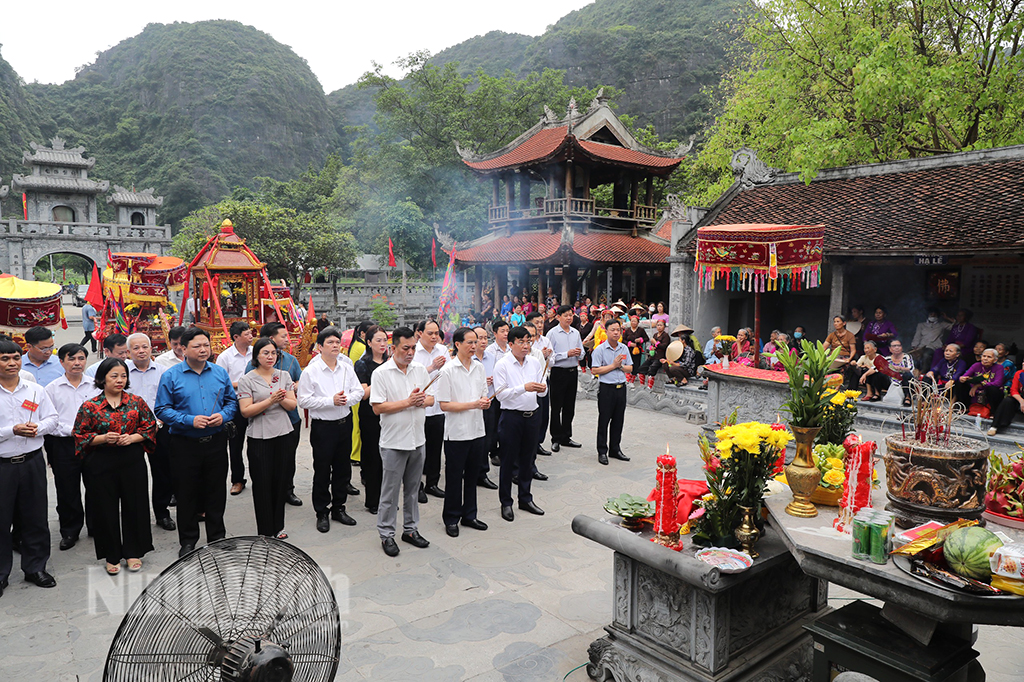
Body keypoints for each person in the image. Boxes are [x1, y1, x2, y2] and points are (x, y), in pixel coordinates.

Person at [154, 328, 238, 558]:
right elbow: (161, 409)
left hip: (216, 442)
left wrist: (224, 415)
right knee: (186, 493)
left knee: (216, 491)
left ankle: (217, 537)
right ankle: (188, 540)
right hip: (184, 443)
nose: (203, 350)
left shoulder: (219, 373)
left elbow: (232, 402)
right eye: (197, 346)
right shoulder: (171, 376)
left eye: (206, 345)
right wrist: (189, 420)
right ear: (183, 348)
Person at [73, 358, 157, 574]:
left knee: (135, 505)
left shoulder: (136, 402)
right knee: (104, 507)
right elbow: (80, 435)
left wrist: (133, 438)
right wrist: (103, 438)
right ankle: (111, 554)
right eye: (114, 376)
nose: (120, 380)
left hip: (131, 459)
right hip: (101, 461)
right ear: (102, 379)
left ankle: (133, 551)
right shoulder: (90, 406)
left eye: (123, 376)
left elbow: (150, 427)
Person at [0, 337, 59, 597]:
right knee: (2, 521)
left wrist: (39, 429)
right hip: (2, 465)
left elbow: (52, 418)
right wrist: (10, 430)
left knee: (35, 518)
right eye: (4, 359)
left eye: (15, 358)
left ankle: (35, 567)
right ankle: (1, 573)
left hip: (32, 460)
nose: (11, 363)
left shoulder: (33, 389)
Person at [370, 327, 432, 557]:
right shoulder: (381, 373)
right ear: (392, 348)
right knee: (390, 491)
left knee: (413, 489)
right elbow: (378, 407)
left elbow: (432, 397)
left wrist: (421, 401)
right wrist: (408, 402)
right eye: (405, 348)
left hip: (418, 438)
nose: (410, 352)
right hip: (394, 441)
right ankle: (386, 533)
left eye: (413, 348)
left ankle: (410, 529)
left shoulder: (419, 370)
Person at [297, 326, 364, 533]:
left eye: (337, 342)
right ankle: (322, 511)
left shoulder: (346, 367)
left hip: (344, 424)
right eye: (330, 343)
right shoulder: (311, 370)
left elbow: (359, 391)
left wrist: (345, 401)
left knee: (343, 470)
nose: (335, 346)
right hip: (323, 427)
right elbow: (303, 400)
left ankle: (339, 508)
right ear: (319, 347)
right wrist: (331, 401)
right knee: (323, 470)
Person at [237, 337, 297, 539]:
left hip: (283, 432)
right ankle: (264, 530)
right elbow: (246, 411)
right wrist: (271, 400)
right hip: (259, 436)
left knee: (281, 480)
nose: (270, 357)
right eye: (265, 353)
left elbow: (292, 405)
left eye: (273, 353)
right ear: (257, 356)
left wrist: (281, 400)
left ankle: (278, 526)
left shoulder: (283, 375)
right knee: (262, 483)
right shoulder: (247, 379)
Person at [44, 343, 101, 551]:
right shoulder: (51, 389)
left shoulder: (96, 386)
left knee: (96, 486)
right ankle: (70, 530)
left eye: (81, 359)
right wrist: (77, 431)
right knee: (67, 489)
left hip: (94, 444)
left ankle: (96, 526)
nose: (77, 363)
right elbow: (50, 419)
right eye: (72, 359)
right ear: (62, 362)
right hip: (64, 444)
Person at [436, 327, 490, 538]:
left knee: (473, 475)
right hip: (456, 433)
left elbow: (483, 396)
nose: (474, 346)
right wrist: (473, 404)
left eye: (475, 342)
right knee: (454, 476)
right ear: (457, 344)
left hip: (477, 430)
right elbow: (444, 405)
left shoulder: (479, 368)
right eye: (469, 342)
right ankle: (451, 517)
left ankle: (470, 514)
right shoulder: (448, 371)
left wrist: (483, 404)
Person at [494, 326, 548, 522]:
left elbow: (542, 391)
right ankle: (506, 502)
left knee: (528, 460)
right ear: (511, 344)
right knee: (508, 461)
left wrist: (541, 389)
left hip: (532, 415)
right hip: (511, 418)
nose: (526, 346)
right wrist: (523, 388)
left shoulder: (534, 362)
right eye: (521, 342)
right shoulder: (502, 365)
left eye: (528, 341)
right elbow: (500, 395)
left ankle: (525, 498)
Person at [125, 333, 173, 532]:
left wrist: (160, 420)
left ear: (151, 348)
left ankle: (162, 513)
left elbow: (171, 398)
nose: (141, 351)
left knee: (162, 473)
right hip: (129, 431)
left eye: (145, 346)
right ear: (128, 352)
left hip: (158, 428)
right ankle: (134, 516)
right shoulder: (121, 372)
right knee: (132, 476)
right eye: (136, 348)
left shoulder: (164, 371)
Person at [260, 323, 304, 507]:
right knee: (266, 459)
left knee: (288, 457)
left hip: (290, 418)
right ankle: (268, 491)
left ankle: (288, 490)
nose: (287, 339)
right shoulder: (254, 364)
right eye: (283, 336)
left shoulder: (291, 361)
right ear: (271, 339)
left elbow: (301, 381)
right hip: (265, 418)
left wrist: (295, 385)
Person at [216, 322, 254, 496]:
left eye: (250, 333)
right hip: (236, 404)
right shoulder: (225, 357)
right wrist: (242, 383)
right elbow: (219, 384)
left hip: (257, 403)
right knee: (235, 444)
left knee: (257, 442)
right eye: (246, 334)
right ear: (236, 337)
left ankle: (259, 476)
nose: (250, 336)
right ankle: (238, 480)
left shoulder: (256, 352)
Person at [413, 319, 449, 502]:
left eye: (437, 333)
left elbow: (449, 372)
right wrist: (432, 367)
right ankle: (416, 485)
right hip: (419, 407)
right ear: (420, 333)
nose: (435, 336)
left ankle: (432, 483)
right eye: (430, 333)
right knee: (419, 449)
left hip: (438, 407)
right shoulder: (413, 351)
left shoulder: (442, 350)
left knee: (435, 448)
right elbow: (410, 376)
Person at [355, 326, 388, 515]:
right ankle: (373, 501)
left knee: (388, 460)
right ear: (368, 343)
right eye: (378, 340)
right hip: (370, 417)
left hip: (389, 414)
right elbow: (363, 394)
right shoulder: (362, 364)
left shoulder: (390, 362)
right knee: (372, 458)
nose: (383, 344)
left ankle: (386, 498)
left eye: (385, 340)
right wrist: (382, 378)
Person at [591, 319, 632, 465]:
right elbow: (595, 370)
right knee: (604, 420)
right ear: (606, 331)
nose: (616, 332)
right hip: (606, 389)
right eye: (613, 330)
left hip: (621, 388)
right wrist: (613, 365)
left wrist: (620, 367)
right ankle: (602, 451)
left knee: (618, 420)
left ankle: (615, 449)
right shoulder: (600, 350)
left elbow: (630, 368)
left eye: (618, 330)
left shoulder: (624, 348)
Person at [546, 305, 584, 452]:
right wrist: (566, 354)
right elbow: (550, 357)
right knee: (556, 407)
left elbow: (581, 353)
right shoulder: (552, 334)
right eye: (566, 315)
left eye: (571, 315)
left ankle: (566, 437)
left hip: (572, 372)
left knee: (570, 406)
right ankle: (555, 438)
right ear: (558, 317)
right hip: (558, 373)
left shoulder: (575, 333)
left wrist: (578, 354)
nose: (569, 318)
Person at [471, 325, 499, 490]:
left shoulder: (492, 357)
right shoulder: (468, 359)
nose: (482, 341)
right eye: (478, 338)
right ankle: (472, 470)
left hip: (489, 401)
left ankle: (482, 472)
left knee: (487, 438)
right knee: (473, 439)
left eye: (484, 338)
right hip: (472, 404)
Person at [525, 312, 553, 455]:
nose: (530, 339)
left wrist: (547, 356)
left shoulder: (540, 349)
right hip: (523, 391)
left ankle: (537, 443)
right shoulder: (511, 355)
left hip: (540, 384)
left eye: (532, 336)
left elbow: (545, 369)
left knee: (542, 416)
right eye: (537, 322)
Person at [485, 319, 512, 468]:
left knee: (506, 423)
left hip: (508, 392)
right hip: (495, 393)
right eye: (502, 331)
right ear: (494, 333)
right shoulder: (490, 351)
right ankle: (493, 452)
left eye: (507, 331)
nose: (506, 334)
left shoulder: (511, 349)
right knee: (494, 424)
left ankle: (504, 450)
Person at [348, 321, 373, 468]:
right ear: (363, 334)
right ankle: (356, 454)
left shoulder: (356, 345)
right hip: (359, 387)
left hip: (355, 387)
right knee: (357, 424)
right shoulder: (362, 348)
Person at [956, 349, 1005, 413]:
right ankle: (965, 408)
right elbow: (965, 376)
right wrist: (962, 378)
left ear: (995, 360)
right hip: (974, 392)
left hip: (989, 392)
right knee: (960, 383)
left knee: (993, 389)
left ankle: (993, 412)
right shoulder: (976, 365)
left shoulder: (999, 367)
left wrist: (980, 385)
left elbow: (998, 383)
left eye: (989, 357)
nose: (985, 358)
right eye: (984, 356)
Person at [989, 367, 1024, 435]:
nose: (1023, 364)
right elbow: (1013, 390)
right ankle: (994, 426)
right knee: (1008, 400)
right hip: (1021, 398)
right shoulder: (1019, 373)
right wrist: (1022, 401)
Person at [637, 319, 670, 385]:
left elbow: (664, 346)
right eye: (658, 325)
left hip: (660, 357)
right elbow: (652, 345)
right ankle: (642, 385)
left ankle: (650, 387)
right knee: (641, 368)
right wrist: (652, 347)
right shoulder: (655, 335)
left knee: (652, 369)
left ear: (664, 327)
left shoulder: (665, 335)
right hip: (652, 356)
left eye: (661, 325)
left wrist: (655, 343)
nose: (659, 327)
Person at [885, 340, 917, 406]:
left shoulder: (906, 357)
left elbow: (910, 368)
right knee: (878, 374)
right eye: (894, 346)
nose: (897, 347)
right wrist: (865, 375)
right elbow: (876, 368)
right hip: (891, 380)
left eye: (899, 345)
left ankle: (907, 397)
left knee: (906, 375)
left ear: (901, 348)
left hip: (905, 380)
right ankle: (876, 393)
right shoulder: (887, 359)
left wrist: (900, 368)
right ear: (890, 349)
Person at [621, 315, 649, 382]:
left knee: (636, 363)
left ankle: (633, 378)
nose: (633, 323)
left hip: (637, 350)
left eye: (635, 321)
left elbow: (646, 338)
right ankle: (627, 378)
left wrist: (641, 340)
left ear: (638, 322)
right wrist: (629, 344)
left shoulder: (641, 330)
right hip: (628, 350)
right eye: (632, 321)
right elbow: (623, 340)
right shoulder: (627, 330)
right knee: (628, 363)